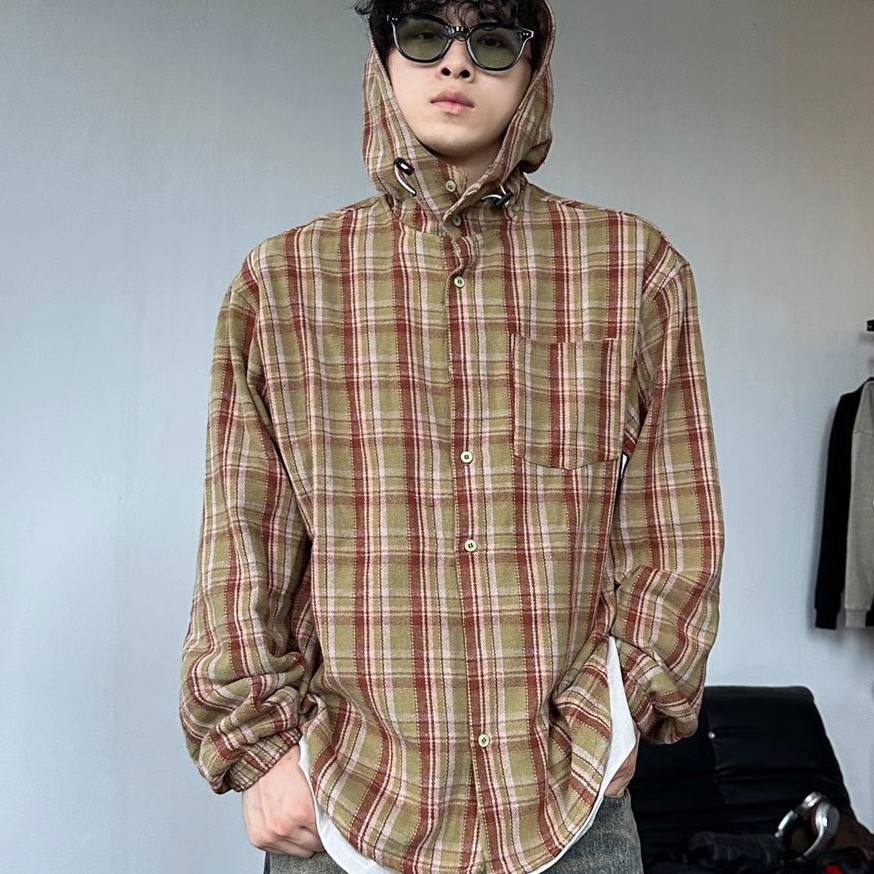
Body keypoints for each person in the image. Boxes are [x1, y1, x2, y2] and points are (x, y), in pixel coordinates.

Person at [179, 1, 724, 873]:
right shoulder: (284, 282)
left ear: (535, 64)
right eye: (425, 33)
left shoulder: (631, 270)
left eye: (493, 39)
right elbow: (244, 541)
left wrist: (625, 710)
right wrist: (260, 754)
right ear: (383, 55)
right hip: (344, 807)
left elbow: (676, 527)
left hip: (570, 807)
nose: (457, 64)